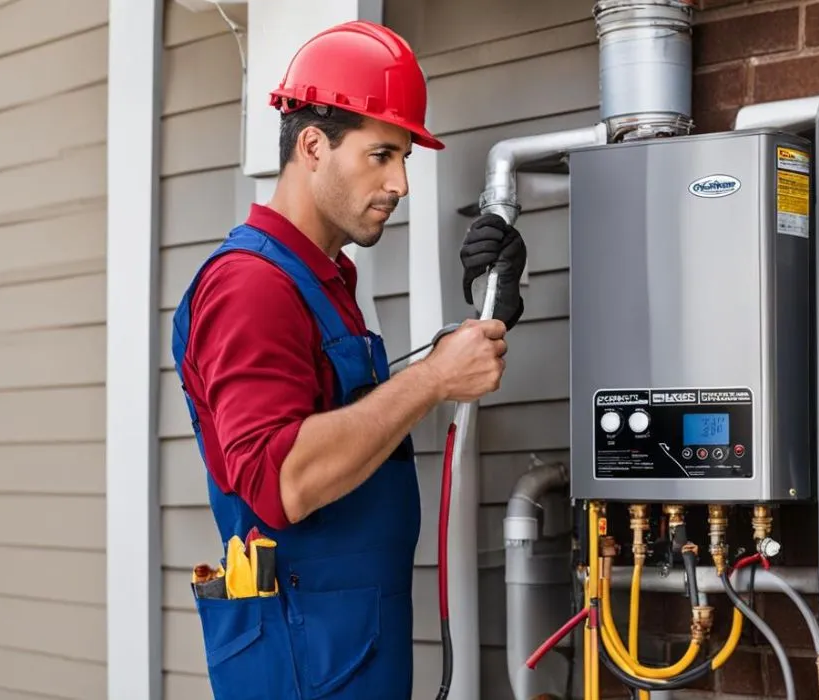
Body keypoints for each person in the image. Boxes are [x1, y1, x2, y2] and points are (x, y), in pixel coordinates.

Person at [170, 20, 528, 700]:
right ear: (313, 145)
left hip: (347, 648)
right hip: (304, 661)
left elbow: (345, 420)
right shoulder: (252, 286)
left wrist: (478, 326)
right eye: (382, 155)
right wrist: (432, 379)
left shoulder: (324, 281)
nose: (400, 183)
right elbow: (285, 482)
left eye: (404, 161)